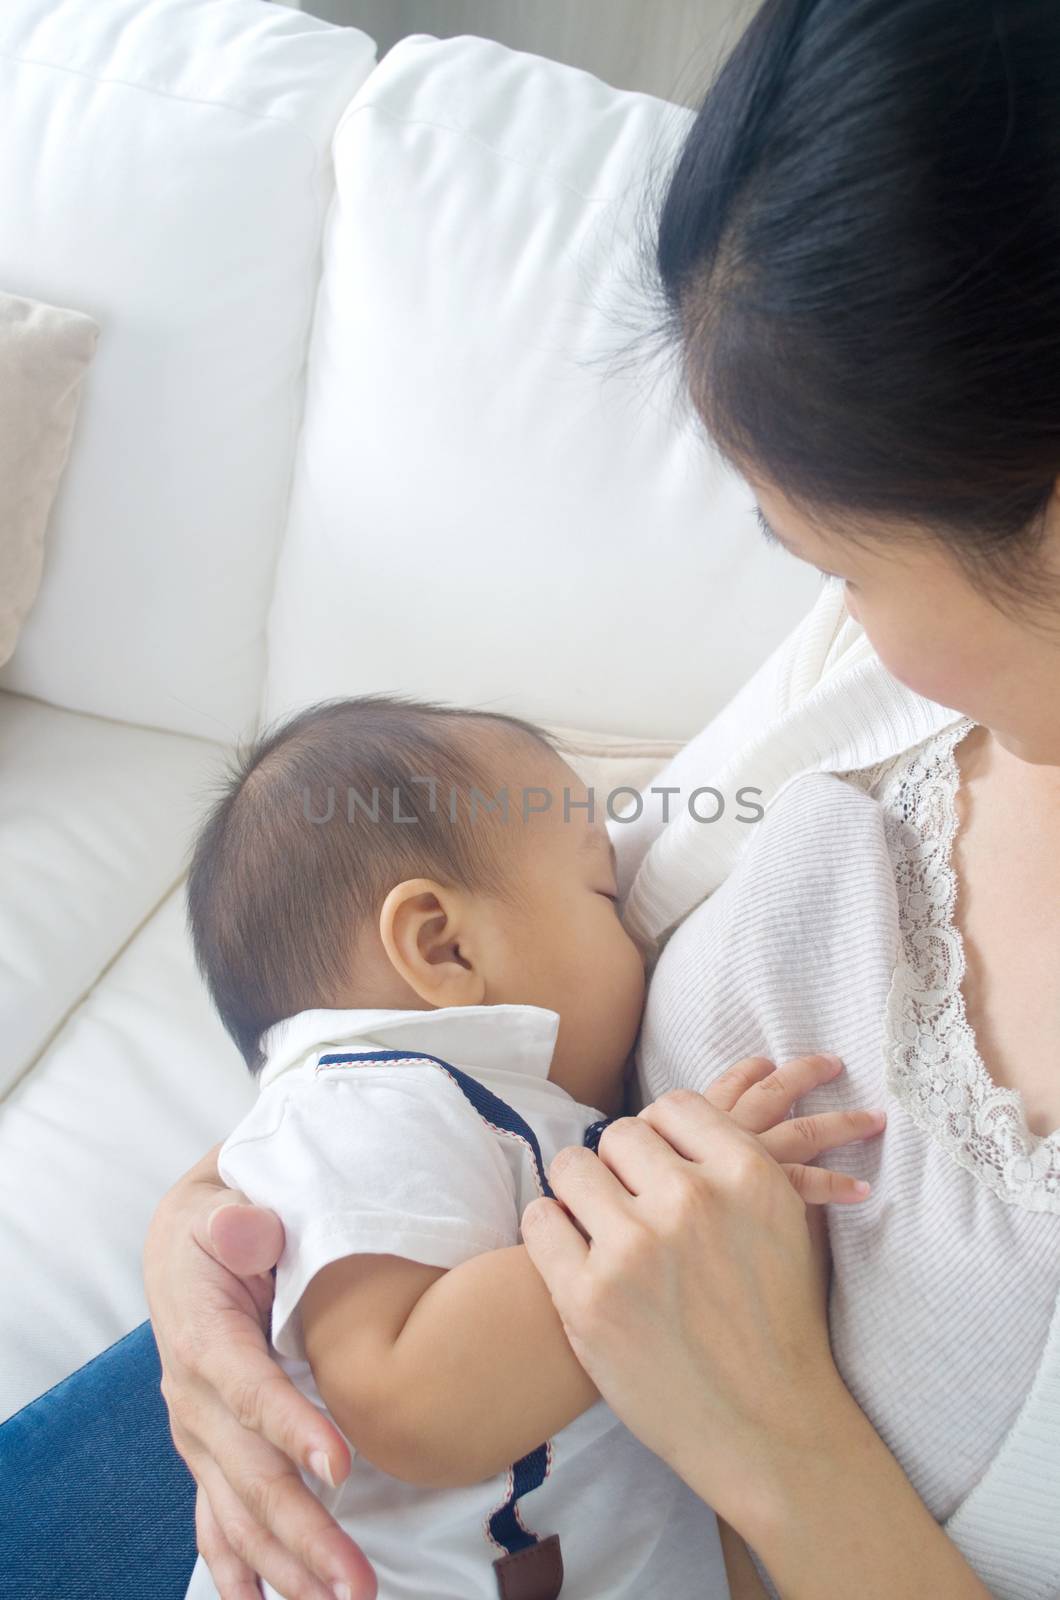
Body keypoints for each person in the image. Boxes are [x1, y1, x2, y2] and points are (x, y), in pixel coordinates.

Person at [7, 0, 1059, 1596]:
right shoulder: (880, 682)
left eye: (842, 557)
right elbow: (421, 1031)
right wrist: (212, 1252)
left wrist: (769, 1423)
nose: (837, 615)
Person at [178, 694, 879, 1600]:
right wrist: (667, 1198)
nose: (633, 931)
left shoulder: (464, 1104)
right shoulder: (365, 1100)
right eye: (603, 896)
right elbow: (405, 1401)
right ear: (441, 945)